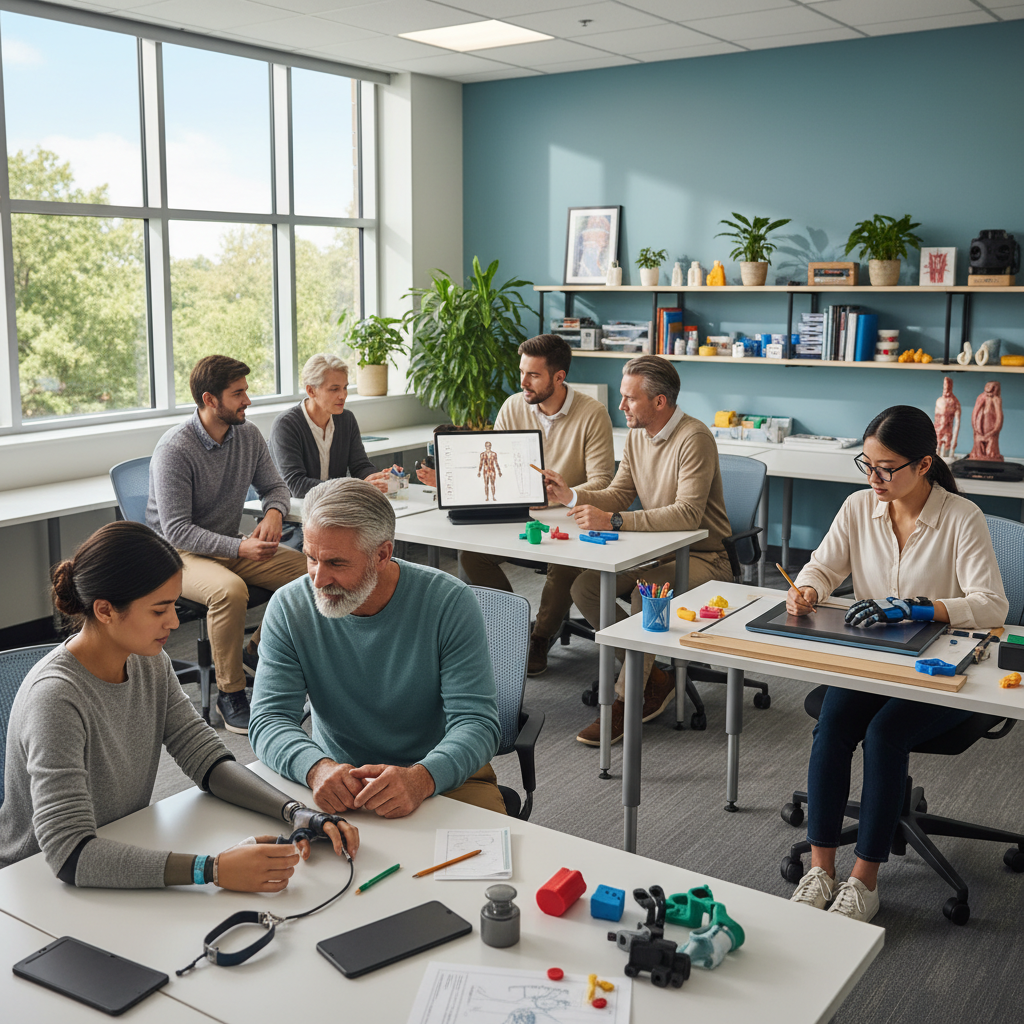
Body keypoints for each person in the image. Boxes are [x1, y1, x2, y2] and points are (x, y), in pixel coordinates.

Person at [0, 521, 358, 888]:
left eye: (173, 605)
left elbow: (206, 759)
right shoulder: (56, 698)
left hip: (116, 848)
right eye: (159, 611)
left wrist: (295, 812)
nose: (173, 622)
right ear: (105, 610)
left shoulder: (148, 661)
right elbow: (69, 853)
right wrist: (212, 869)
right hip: (36, 881)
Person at [786, 405, 1008, 922]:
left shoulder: (961, 517)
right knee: (833, 726)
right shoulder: (858, 507)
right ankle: (821, 870)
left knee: (885, 734)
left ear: (924, 464)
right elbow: (822, 566)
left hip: (944, 669)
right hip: (879, 660)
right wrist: (809, 589)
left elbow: (992, 606)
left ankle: (864, 881)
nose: (874, 478)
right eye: (867, 465)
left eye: (886, 468)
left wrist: (919, 607)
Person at [249, 477, 504, 818]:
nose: (318, 579)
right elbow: (269, 719)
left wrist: (422, 778)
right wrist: (315, 768)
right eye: (311, 558)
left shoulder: (449, 602)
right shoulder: (289, 607)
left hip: (441, 775)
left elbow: (477, 723)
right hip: (338, 779)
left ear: (382, 554)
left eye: (336, 563)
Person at [542, 355, 732, 746]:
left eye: (630, 398)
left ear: (659, 401)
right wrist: (571, 495)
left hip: (704, 557)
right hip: (659, 552)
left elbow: (687, 513)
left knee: (645, 595)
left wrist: (613, 521)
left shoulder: (694, 438)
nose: (621, 405)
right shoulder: (636, 435)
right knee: (585, 588)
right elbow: (619, 492)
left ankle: (626, 700)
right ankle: (654, 677)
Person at [146, 355, 307, 735]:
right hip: (175, 554)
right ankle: (230, 693)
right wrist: (240, 549)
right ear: (210, 399)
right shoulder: (175, 449)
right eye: (238, 394)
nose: (247, 400)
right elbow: (176, 531)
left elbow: (276, 487)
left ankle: (257, 650)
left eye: (245, 391)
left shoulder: (247, 436)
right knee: (230, 592)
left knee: (311, 573)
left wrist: (274, 514)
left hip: (229, 544)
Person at [460, 334, 614, 675]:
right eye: (521, 372)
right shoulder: (513, 407)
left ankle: (540, 637)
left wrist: (561, 495)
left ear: (559, 377)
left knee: (566, 565)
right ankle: (513, 626)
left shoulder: (592, 414)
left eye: (533, 375)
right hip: (519, 515)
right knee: (471, 555)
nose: (523, 382)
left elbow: (603, 481)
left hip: (569, 518)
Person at [269, 352, 395, 500]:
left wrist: (378, 477)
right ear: (311, 391)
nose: (343, 395)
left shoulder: (346, 419)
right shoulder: (286, 425)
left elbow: (360, 466)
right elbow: (297, 486)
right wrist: (352, 488)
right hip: (292, 510)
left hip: (332, 506)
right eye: (334, 389)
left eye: (345, 387)